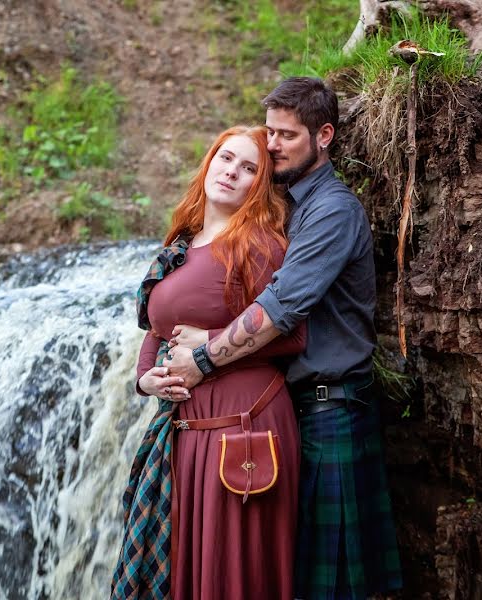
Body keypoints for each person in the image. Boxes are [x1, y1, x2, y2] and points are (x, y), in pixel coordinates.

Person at [164, 78, 403, 599]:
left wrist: (203, 357)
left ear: (325, 136)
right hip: (295, 411)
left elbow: (280, 307)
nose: (271, 145)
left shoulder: (332, 210)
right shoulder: (285, 204)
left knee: (332, 587)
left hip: (332, 408)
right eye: (268, 132)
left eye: (286, 136)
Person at [111, 125, 306, 600]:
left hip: (242, 428)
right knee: (190, 572)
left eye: (248, 169)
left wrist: (211, 342)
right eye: (226, 159)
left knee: (229, 573)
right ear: (209, 162)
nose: (232, 173)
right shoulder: (182, 242)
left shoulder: (259, 245)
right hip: (187, 429)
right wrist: (145, 381)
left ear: (259, 185)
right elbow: (157, 329)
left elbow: (295, 334)